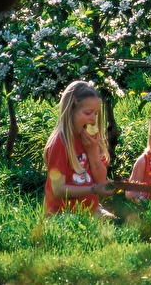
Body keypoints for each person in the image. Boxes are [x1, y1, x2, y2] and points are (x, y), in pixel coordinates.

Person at [43, 80, 114, 218]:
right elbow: (58, 190)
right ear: (71, 110)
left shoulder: (89, 138)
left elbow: (100, 180)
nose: (93, 119)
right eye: (88, 113)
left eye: (96, 113)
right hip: (63, 211)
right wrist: (93, 189)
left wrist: (93, 151)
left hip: (89, 208)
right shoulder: (60, 143)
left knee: (113, 222)